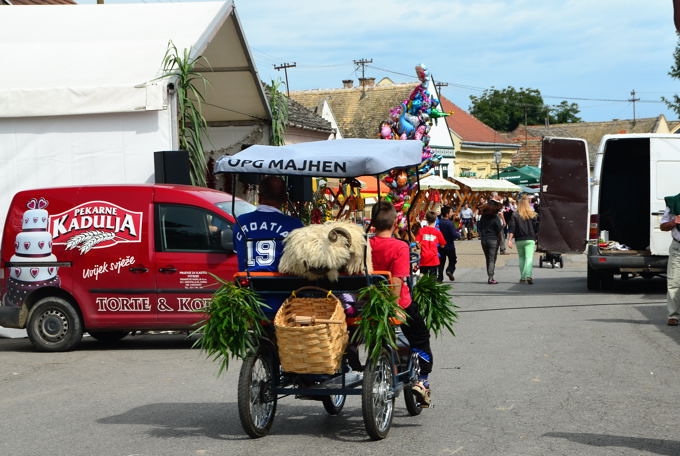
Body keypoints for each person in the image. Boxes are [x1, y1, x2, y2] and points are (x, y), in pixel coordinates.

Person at [370, 201, 433, 406]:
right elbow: (396, 281)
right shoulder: (399, 246)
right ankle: (422, 380)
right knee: (421, 337)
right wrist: (394, 307)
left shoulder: (365, 245)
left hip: (368, 302)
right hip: (398, 303)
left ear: (372, 223)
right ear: (395, 223)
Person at [233, 175, 304, 272]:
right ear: (284, 199)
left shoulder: (241, 222)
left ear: (259, 197)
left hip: (249, 283)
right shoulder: (295, 225)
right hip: (281, 283)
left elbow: (237, 252)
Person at [507, 196, 539, 284]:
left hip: (519, 239)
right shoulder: (533, 214)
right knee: (529, 258)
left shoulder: (515, 214)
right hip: (530, 238)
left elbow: (512, 228)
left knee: (521, 258)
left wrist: (509, 240)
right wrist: (536, 237)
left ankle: (522, 277)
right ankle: (528, 275)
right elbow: (537, 227)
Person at [660, 193, 680, 326]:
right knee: (674, 282)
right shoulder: (673, 203)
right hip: (678, 248)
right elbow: (663, 226)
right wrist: (674, 222)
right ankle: (673, 315)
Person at [477, 200, 504, 284]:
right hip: (493, 240)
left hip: (484, 240)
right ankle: (491, 277)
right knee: (492, 259)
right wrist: (501, 244)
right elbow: (499, 231)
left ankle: (490, 275)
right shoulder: (495, 218)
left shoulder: (483, 217)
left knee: (487, 259)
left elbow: (479, 228)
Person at [415, 210, 446, 279]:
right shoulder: (437, 232)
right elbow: (443, 245)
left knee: (423, 279)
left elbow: (417, 242)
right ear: (435, 220)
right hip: (433, 258)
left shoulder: (421, 230)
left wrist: (419, 245)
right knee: (432, 281)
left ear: (426, 219)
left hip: (424, 258)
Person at [437, 205, 460, 282]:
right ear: (447, 214)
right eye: (451, 212)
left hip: (440, 246)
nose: (452, 213)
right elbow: (454, 235)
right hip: (449, 245)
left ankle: (440, 277)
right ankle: (449, 270)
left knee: (441, 262)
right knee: (453, 260)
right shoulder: (450, 223)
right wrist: (458, 235)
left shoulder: (439, 223)